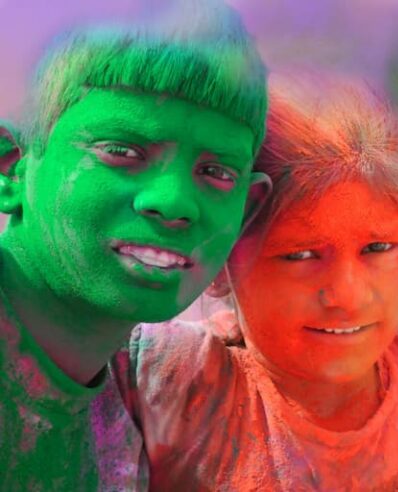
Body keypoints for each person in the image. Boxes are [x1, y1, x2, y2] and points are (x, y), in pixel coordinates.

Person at [117, 74, 398, 490]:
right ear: (217, 260)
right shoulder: (175, 380)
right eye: (300, 256)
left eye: (378, 249)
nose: (347, 295)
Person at [0, 3, 269, 489]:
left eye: (216, 173)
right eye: (122, 152)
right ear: (13, 166)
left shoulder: (146, 394)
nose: (174, 203)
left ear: (247, 211)